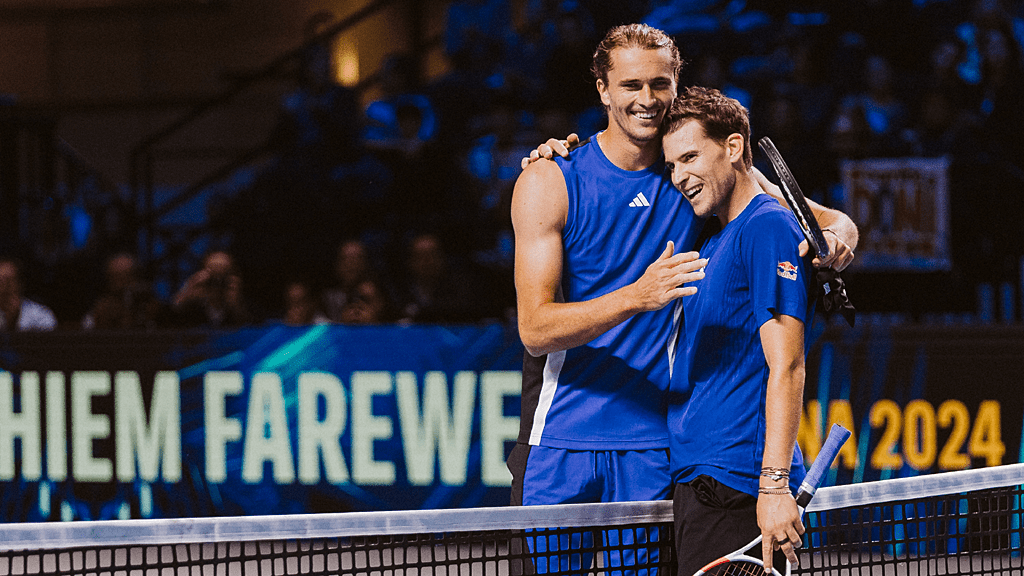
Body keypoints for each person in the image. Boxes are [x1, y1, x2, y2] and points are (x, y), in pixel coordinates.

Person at [510, 22, 857, 573]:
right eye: (630, 86)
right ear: (602, 89)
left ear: (675, 84)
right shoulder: (552, 180)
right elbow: (535, 329)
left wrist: (839, 243)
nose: (647, 100)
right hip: (560, 444)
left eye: (660, 84)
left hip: (656, 449)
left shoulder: (696, 172)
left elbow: (832, 221)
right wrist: (636, 296)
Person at [661, 86, 812, 576]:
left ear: (732, 148)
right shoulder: (714, 237)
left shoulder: (765, 227)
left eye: (689, 157)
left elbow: (787, 364)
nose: (679, 177)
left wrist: (773, 486)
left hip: (736, 488)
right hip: (702, 482)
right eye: (671, 165)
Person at [82, 252, 165, 330]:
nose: (120, 285)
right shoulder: (101, 309)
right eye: (115, 278)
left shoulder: (151, 307)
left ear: (136, 278)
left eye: (126, 278)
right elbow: (85, 330)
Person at [171, 250, 252, 328]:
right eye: (212, 270)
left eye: (224, 270)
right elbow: (170, 318)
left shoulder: (242, 299)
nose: (217, 278)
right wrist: (189, 288)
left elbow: (253, 326)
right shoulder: (194, 302)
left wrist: (236, 305)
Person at [0, 257, 57, 331]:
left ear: (20, 283)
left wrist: (14, 320)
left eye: (9, 281)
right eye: (1, 281)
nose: (4, 287)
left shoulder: (41, 315)